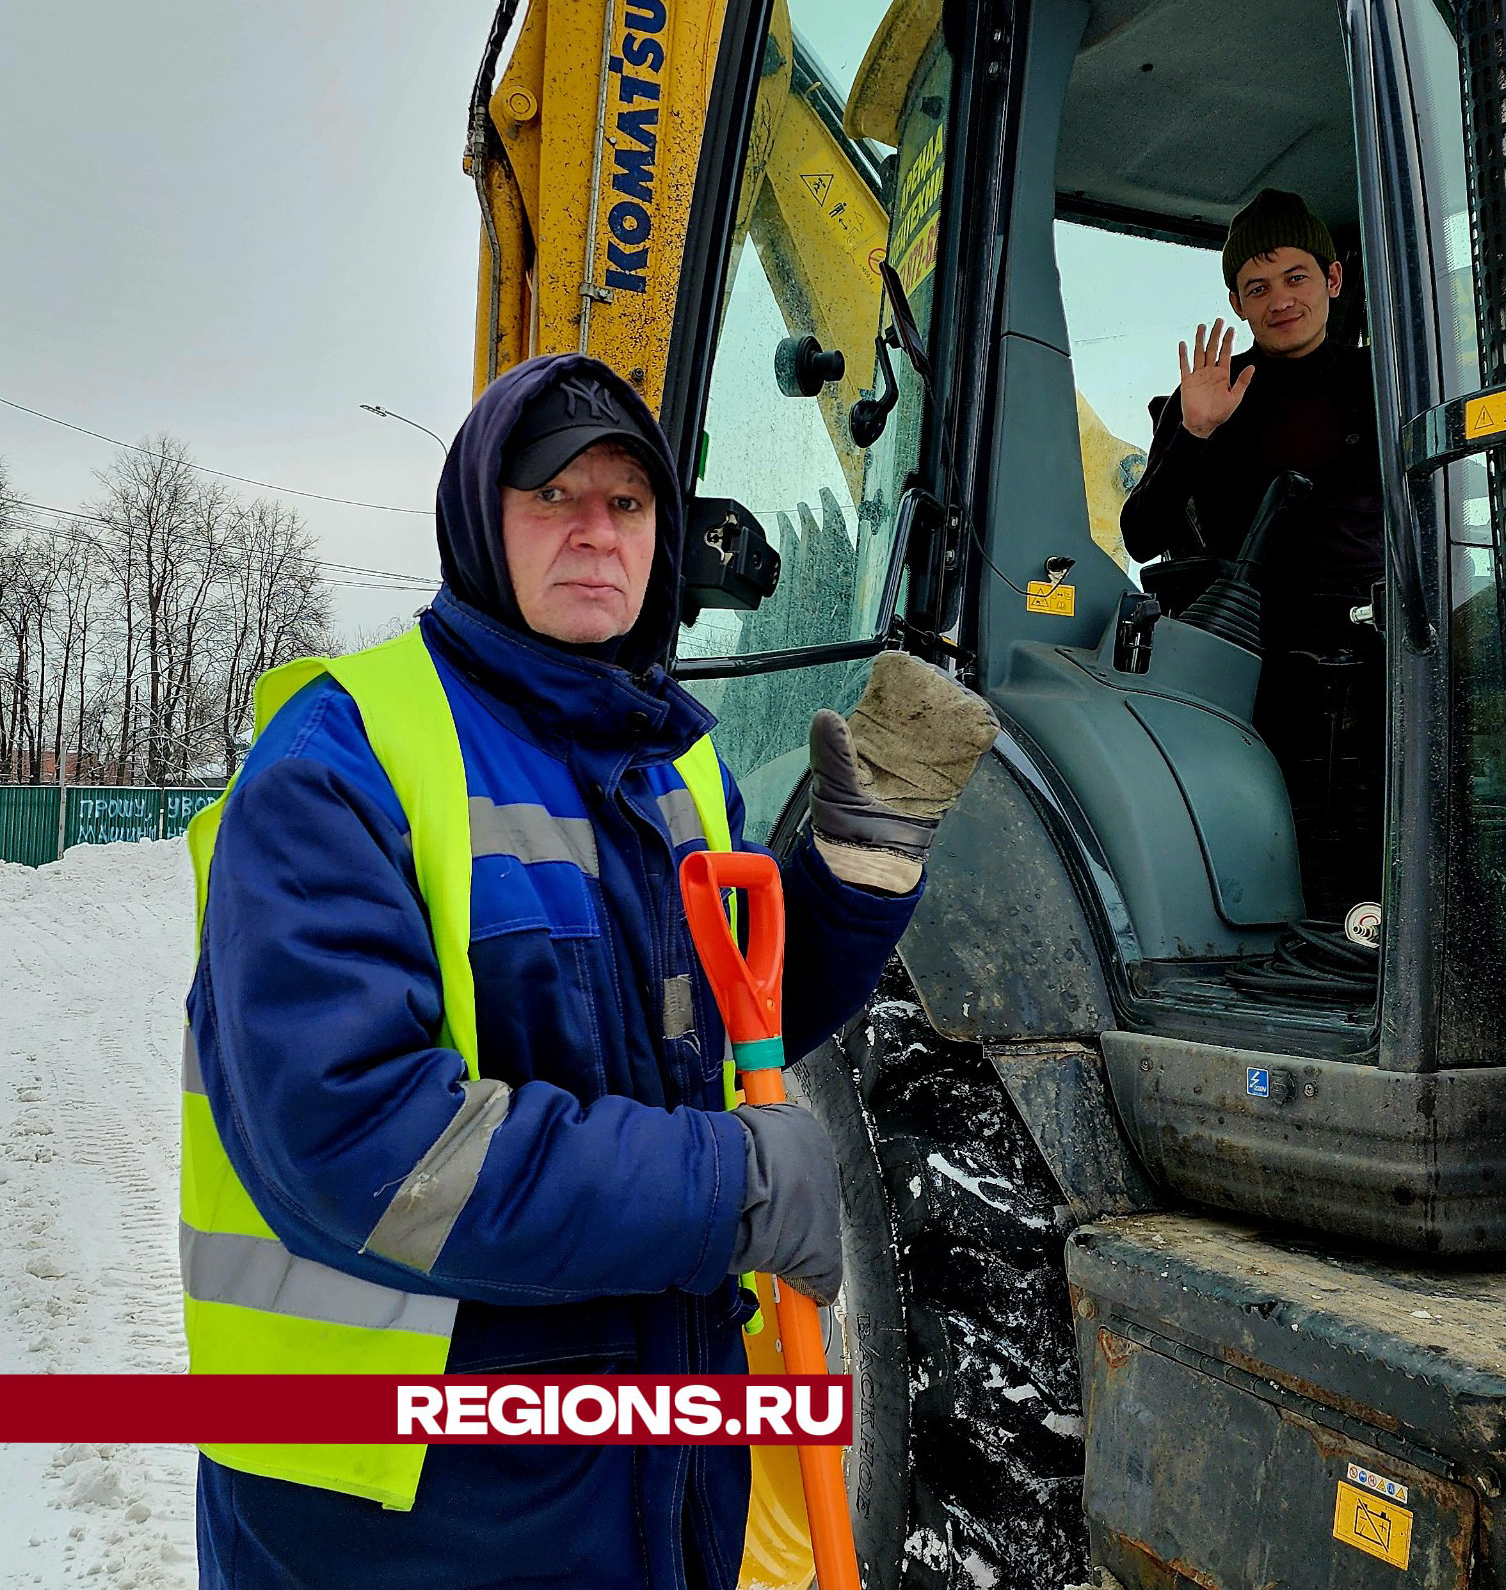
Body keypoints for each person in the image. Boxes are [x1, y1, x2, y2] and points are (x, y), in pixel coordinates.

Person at [181, 352, 997, 1589]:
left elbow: (736, 1031)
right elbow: (364, 1145)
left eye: (626, 501)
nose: (594, 533)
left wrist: (856, 871)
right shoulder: (343, 761)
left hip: (647, 1488)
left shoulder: (673, 768)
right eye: (551, 497)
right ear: (478, 521)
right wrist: (724, 1188)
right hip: (410, 1521)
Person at [1118, 187, 1385, 908]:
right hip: (1250, 673)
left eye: (1296, 277)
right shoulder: (1208, 395)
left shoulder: (1386, 387)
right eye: (1256, 287)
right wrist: (1194, 433)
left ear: (1332, 279)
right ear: (1237, 303)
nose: (1280, 300)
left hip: (1380, 668)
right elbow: (1140, 533)